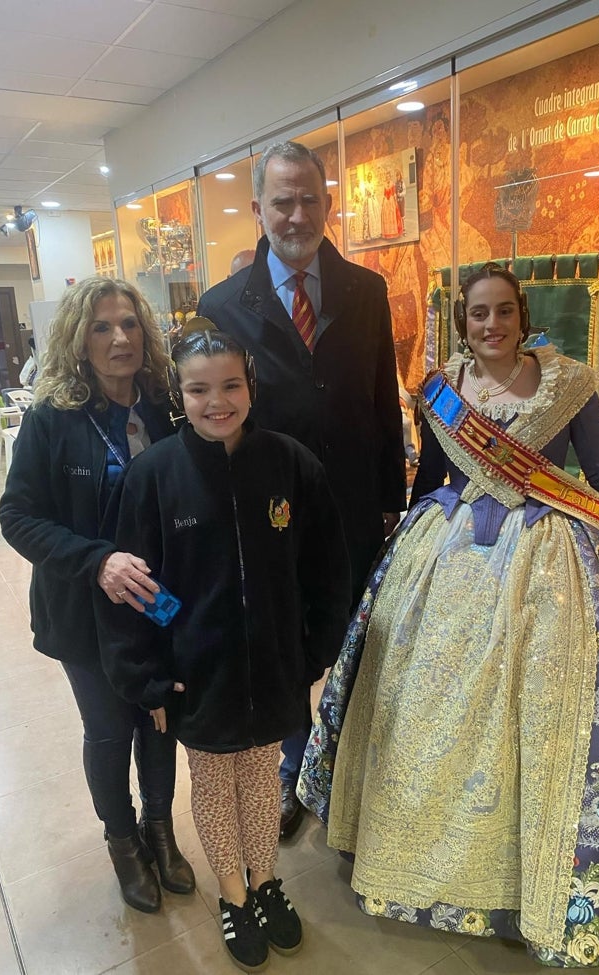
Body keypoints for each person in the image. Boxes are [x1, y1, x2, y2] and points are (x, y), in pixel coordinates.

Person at [298, 262, 599, 968]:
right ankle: (423, 862)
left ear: (523, 314)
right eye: (478, 314)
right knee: (429, 705)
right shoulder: (443, 393)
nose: (491, 325)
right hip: (448, 557)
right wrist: (405, 548)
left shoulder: (569, 382)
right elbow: (430, 480)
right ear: (462, 321)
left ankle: (530, 881)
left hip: (549, 563)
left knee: (540, 711)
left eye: (503, 312)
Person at [95, 329, 351, 972]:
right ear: (179, 395)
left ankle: (264, 882)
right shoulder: (154, 475)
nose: (217, 401)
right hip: (195, 671)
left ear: (251, 386)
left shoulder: (290, 463)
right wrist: (152, 674)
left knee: (262, 778)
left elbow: (325, 568)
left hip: (273, 663)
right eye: (199, 388)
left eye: (230, 385)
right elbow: (141, 588)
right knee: (214, 783)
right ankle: (233, 897)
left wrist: (313, 647)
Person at [197, 140, 405, 840]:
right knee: (285, 640)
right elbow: (213, 419)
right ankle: (294, 764)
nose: (296, 214)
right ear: (258, 208)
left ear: (328, 202)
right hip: (269, 508)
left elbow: (383, 398)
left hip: (350, 504)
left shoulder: (367, 291)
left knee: (353, 636)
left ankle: (348, 763)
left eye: (309, 198)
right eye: (281, 201)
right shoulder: (222, 305)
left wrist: (390, 500)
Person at [0, 277, 195, 914]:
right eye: (103, 327)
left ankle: (160, 830)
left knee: (159, 718)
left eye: (131, 324)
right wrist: (98, 560)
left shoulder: (166, 405)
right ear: (79, 340)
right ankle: (123, 842)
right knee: (110, 729)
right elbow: (18, 516)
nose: (120, 338)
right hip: (86, 607)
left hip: (158, 605)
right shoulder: (53, 417)